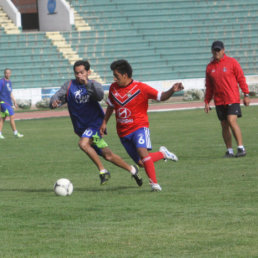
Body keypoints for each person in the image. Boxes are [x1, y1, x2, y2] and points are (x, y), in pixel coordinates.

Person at [50, 60, 142, 186]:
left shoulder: (94, 84)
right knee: (107, 155)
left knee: (83, 144)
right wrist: (54, 102)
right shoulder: (69, 85)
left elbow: (99, 96)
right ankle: (132, 169)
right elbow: (57, 96)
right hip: (81, 129)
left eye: (82, 72)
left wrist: (86, 83)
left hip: (95, 124)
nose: (79, 75)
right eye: (76, 73)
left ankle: (103, 171)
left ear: (88, 72)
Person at [100, 59, 184, 191]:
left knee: (142, 152)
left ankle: (154, 184)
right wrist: (104, 122)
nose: (114, 78)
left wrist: (172, 90)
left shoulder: (141, 88)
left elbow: (161, 96)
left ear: (125, 75)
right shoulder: (113, 88)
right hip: (123, 132)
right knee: (141, 162)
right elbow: (111, 106)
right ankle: (163, 154)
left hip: (139, 127)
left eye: (116, 75)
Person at [204, 41, 250, 158]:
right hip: (219, 100)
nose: (216, 52)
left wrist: (246, 94)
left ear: (223, 50)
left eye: (219, 50)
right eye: (215, 50)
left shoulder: (232, 62)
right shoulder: (209, 67)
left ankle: (241, 148)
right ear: (211, 51)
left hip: (232, 98)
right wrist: (206, 102)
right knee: (224, 125)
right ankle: (229, 150)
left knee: (231, 120)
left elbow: (241, 78)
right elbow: (209, 86)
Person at [0, 68, 24, 139]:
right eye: (6, 73)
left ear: (10, 74)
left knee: (2, 119)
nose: (8, 74)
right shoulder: (1, 82)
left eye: (9, 73)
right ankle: (15, 133)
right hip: (3, 102)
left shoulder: (9, 82)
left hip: (8, 102)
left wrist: (14, 101)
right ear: (4, 73)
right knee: (12, 116)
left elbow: (10, 93)